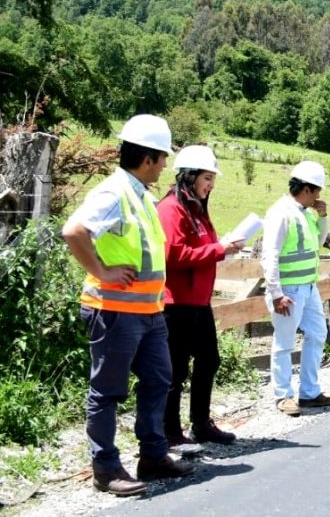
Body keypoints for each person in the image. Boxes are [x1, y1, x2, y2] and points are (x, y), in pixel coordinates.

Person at [61, 115, 193, 497]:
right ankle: (105, 468)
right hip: (115, 311)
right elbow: (74, 231)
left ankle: (152, 456)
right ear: (149, 158)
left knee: (159, 380)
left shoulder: (140, 195)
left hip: (148, 312)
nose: (166, 164)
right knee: (108, 392)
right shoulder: (114, 192)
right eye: (163, 157)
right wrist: (101, 270)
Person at [156, 145, 244, 447]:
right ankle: (169, 430)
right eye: (207, 178)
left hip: (197, 301)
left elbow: (201, 248)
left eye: (212, 179)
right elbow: (174, 255)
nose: (211, 185)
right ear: (190, 176)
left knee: (209, 359)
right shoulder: (171, 209)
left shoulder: (196, 208)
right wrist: (220, 249)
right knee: (176, 367)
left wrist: (221, 247)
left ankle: (200, 423)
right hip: (176, 302)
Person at [261, 161, 330, 416]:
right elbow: (269, 254)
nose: (318, 197)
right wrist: (276, 292)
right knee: (284, 342)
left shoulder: (304, 212)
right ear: (306, 189)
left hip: (308, 286)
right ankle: (283, 396)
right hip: (289, 290)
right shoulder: (281, 213)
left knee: (317, 333)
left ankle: (310, 392)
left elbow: (320, 241)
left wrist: (323, 216)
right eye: (316, 191)